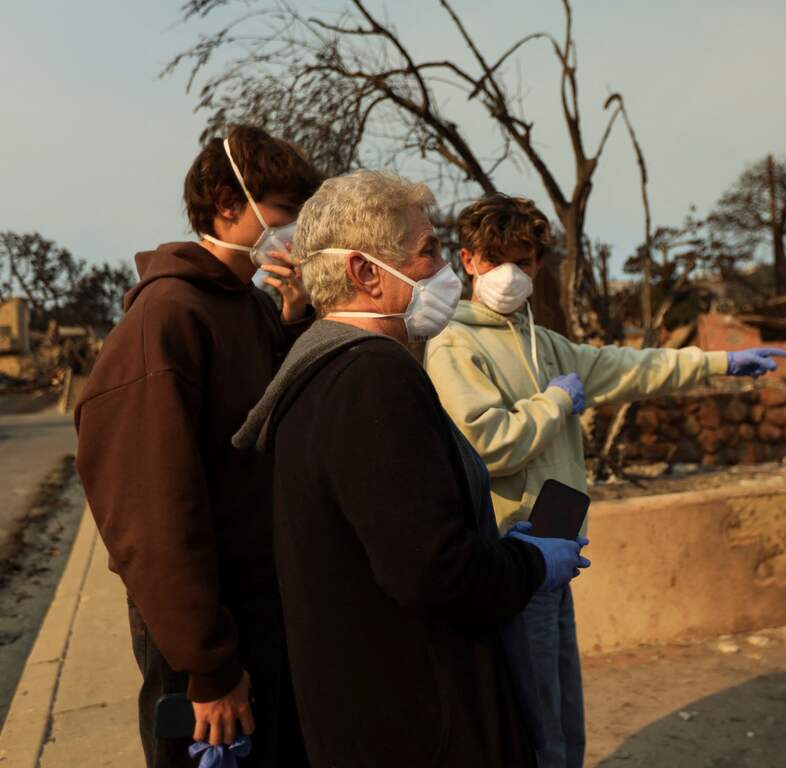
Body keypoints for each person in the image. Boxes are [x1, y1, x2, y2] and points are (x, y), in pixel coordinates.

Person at [232, 170, 591, 768]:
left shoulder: (321, 367)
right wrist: (531, 562)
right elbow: (432, 570)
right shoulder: (373, 378)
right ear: (365, 272)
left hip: (369, 709)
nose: (445, 268)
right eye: (426, 250)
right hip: (417, 721)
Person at [423, 192, 786, 768]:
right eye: (496, 260)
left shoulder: (544, 343)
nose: (511, 274)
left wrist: (718, 362)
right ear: (468, 262)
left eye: (525, 259)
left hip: (557, 549)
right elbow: (487, 443)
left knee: (564, 716)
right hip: (514, 558)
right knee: (536, 723)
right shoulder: (453, 343)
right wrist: (554, 403)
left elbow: (629, 367)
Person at [75, 125, 321, 767]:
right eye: (286, 211)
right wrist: (207, 665)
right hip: (204, 642)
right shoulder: (167, 317)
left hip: (261, 617)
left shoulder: (253, 307)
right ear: (225, 202)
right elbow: (150, 512)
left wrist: (295, 319)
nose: (294, 228)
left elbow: (269, 432)